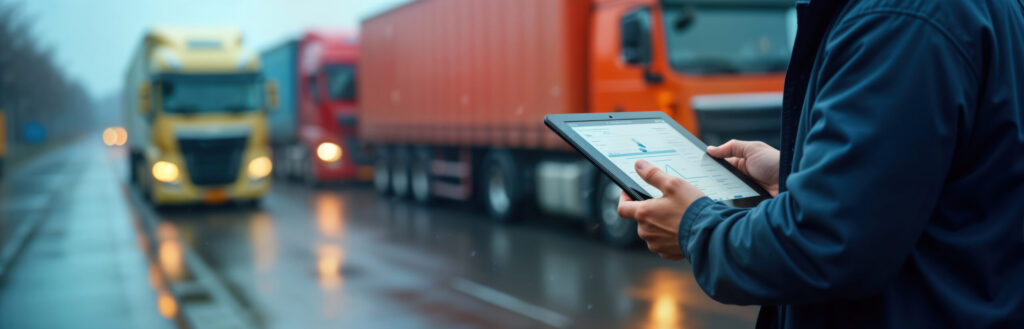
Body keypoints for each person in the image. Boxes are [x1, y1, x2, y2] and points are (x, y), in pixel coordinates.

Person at [616, 0, 1024, 327]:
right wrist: (798, 175)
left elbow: (826, 243)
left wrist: (694, 227)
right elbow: (925, 180)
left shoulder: (895, 19)